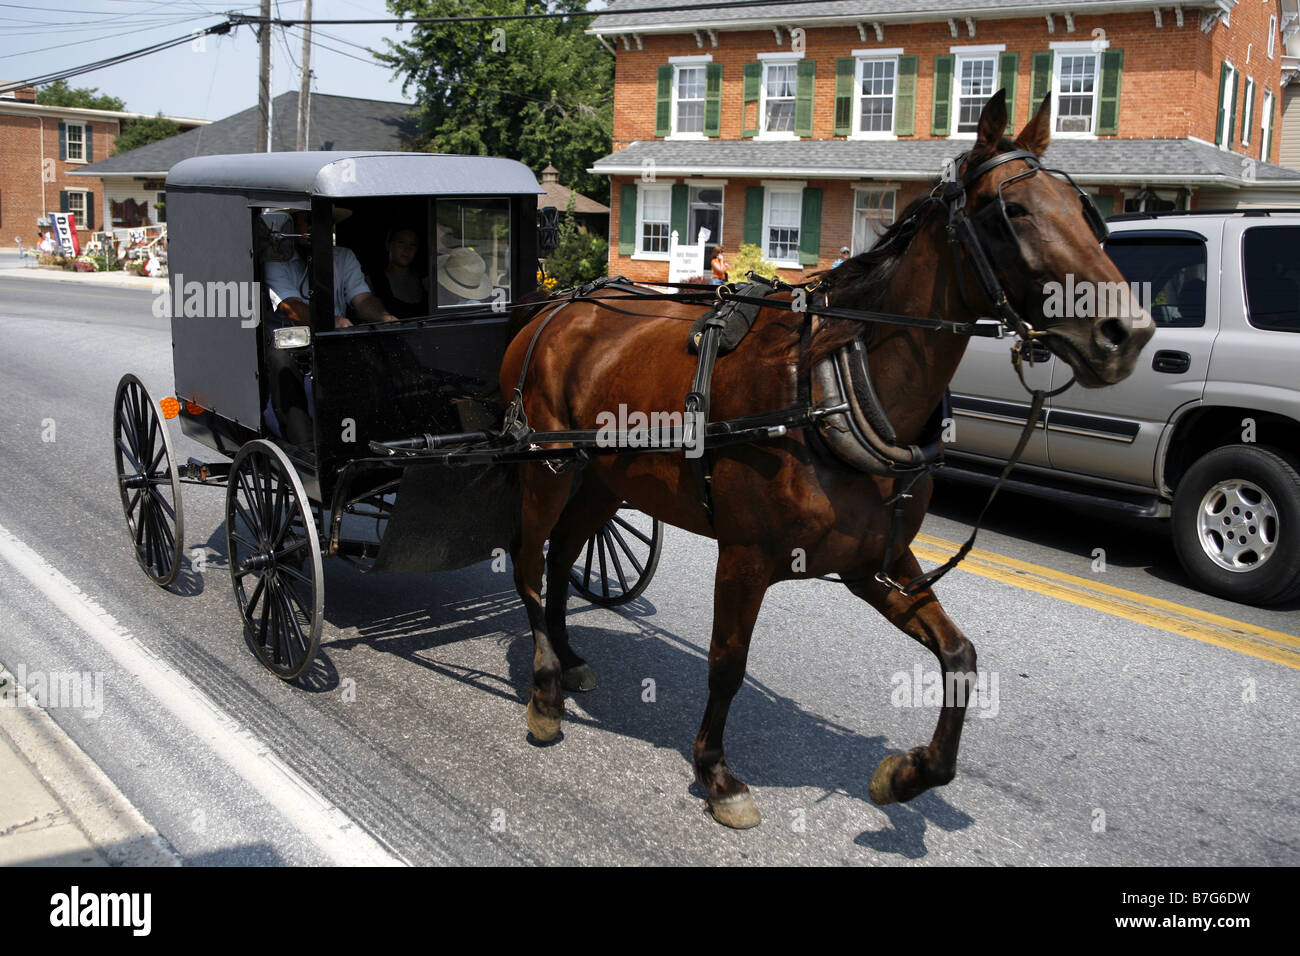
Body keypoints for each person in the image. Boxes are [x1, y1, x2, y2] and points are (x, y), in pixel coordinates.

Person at [265, 208, 396, 328]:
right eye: (309, 221)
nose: (317, 227)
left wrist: (383, 317)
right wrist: (333, 322)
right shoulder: (276, 260)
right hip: (288, 346)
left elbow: (362, 299)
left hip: (334, 342)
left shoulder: (344, 257)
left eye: (325, 221)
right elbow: (290, 306)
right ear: (291, 226)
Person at [369, 226, 428, 319]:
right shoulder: (373, 282)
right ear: (388, 245)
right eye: (401, 243)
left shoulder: (425, 282)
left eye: (412, 245)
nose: (407, 249)